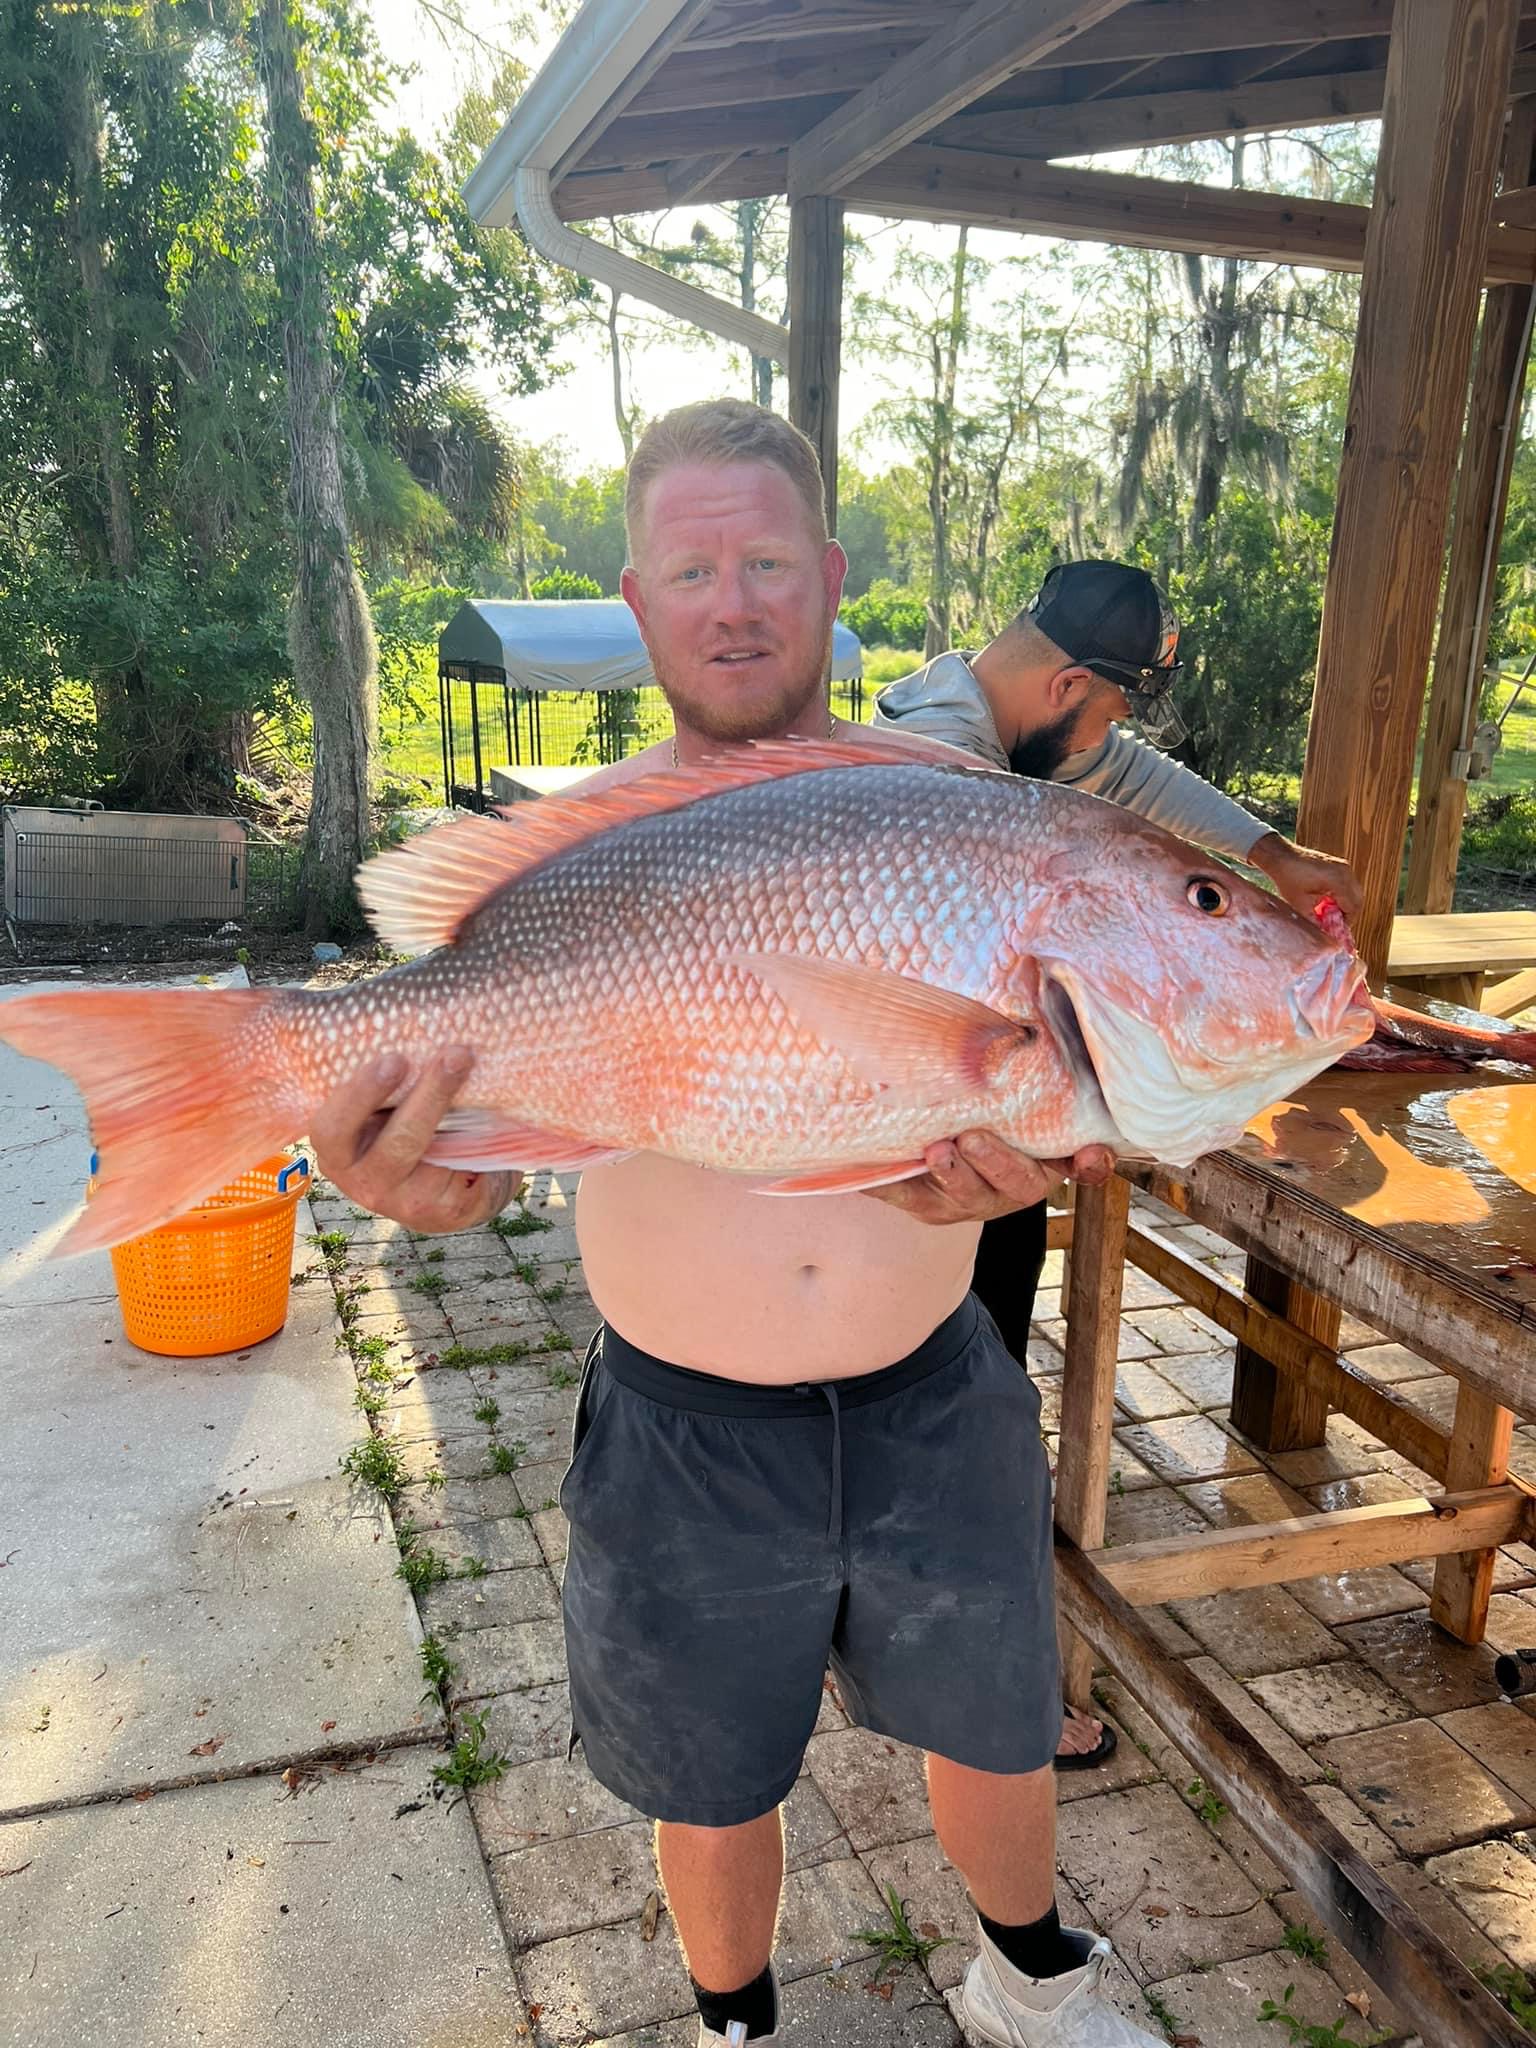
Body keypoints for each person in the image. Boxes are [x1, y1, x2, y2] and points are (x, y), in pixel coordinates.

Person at [311, 400, 1164, 2047]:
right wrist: (399, 1165)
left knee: (997, 1723)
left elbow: (1057, 1069)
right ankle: (733, 2020)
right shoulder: (582, 833)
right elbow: (465, 1120)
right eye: (694, 565)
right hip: (682, 1423)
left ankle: (1027, 1973)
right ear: (636, 596)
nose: (735, 597)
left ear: (829, 578)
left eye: (769, 557)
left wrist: (1055, 1145)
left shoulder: (949, 804)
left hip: (935, 1386)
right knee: (708, 1771)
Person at [873, 561, 1364, 1768]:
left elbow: (1132, 777)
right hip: (939, 1161)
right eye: (1104, 716)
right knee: (964, 1407)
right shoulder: (946, 769)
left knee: (965, 1396)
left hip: (975, 1125)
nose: (1112, 748)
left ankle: (950, 1664)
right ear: (1069, 682)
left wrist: (1269, 853)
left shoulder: (1009, 722)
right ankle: (983, 1694)